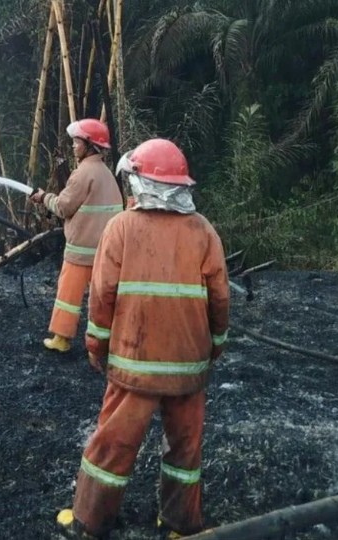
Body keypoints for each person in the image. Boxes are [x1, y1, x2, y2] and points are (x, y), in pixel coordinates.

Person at [56, 138, 231, 539]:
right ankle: (180, 525)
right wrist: (215, 344)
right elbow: (220, 298)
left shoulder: (120, 228)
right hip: (189, 367)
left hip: (134, 367)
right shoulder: (204, 231)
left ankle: (90, 522)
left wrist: (96, 347)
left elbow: (101, 297)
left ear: (140, 182)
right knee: (185, 450)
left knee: (113, 446)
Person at [29, 118, 123, 353]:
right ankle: (106, 342)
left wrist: (43, 198)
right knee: (102, 298)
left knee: (67, 296)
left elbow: (63, 206)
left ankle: (61, 339)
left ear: (90, 145)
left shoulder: (83, 173)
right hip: (103, 250)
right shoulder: (106, 173)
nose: (73, 146)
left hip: (80, 251)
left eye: (77, 141)